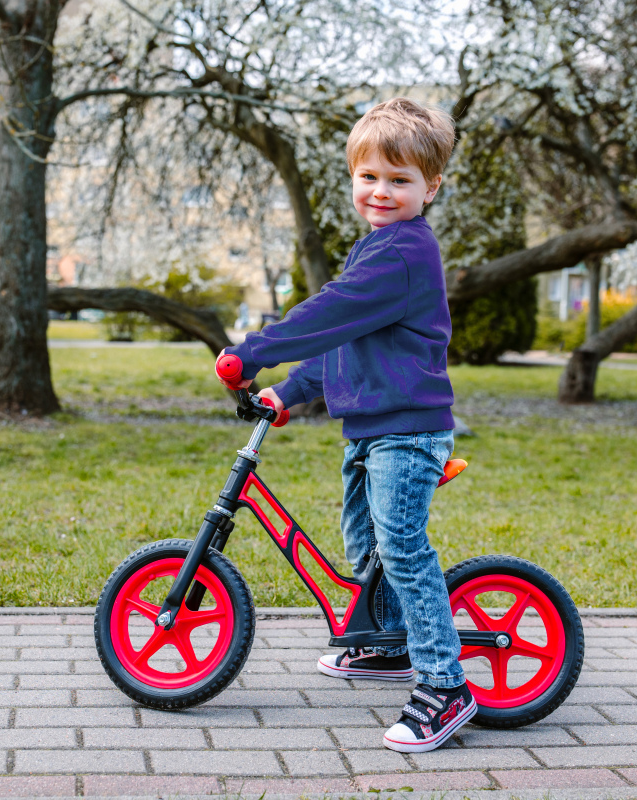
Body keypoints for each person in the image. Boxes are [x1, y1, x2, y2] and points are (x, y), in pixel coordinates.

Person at [216, 97, 473, 753]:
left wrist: (256, 349)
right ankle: (386, 645)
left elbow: (331, 313)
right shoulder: (377, 247)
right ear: (353, 177)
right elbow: (345, 339)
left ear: (430, 187)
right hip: (368, 430)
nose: (381, 191)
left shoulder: (405, 254)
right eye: (369, 176)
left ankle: (445, 687)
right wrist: (292, 390)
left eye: (400, 179)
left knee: (404, 550)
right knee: (366, 547)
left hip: (408, 432)